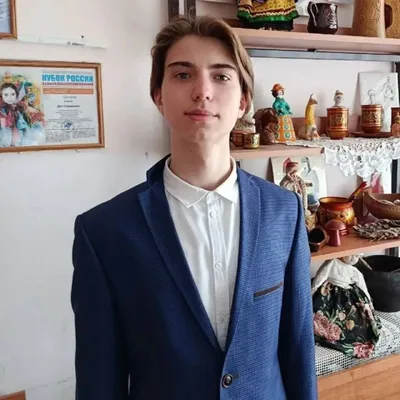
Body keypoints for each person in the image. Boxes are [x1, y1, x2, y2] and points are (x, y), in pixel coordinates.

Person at [71, 15, 317, 400]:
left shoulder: (284, 212)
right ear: (158, 95)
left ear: (243, 101)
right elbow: (99, 380)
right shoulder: (104, 233)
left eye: (221, 76)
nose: (202, 91)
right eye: (183, 75)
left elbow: (298, 348)